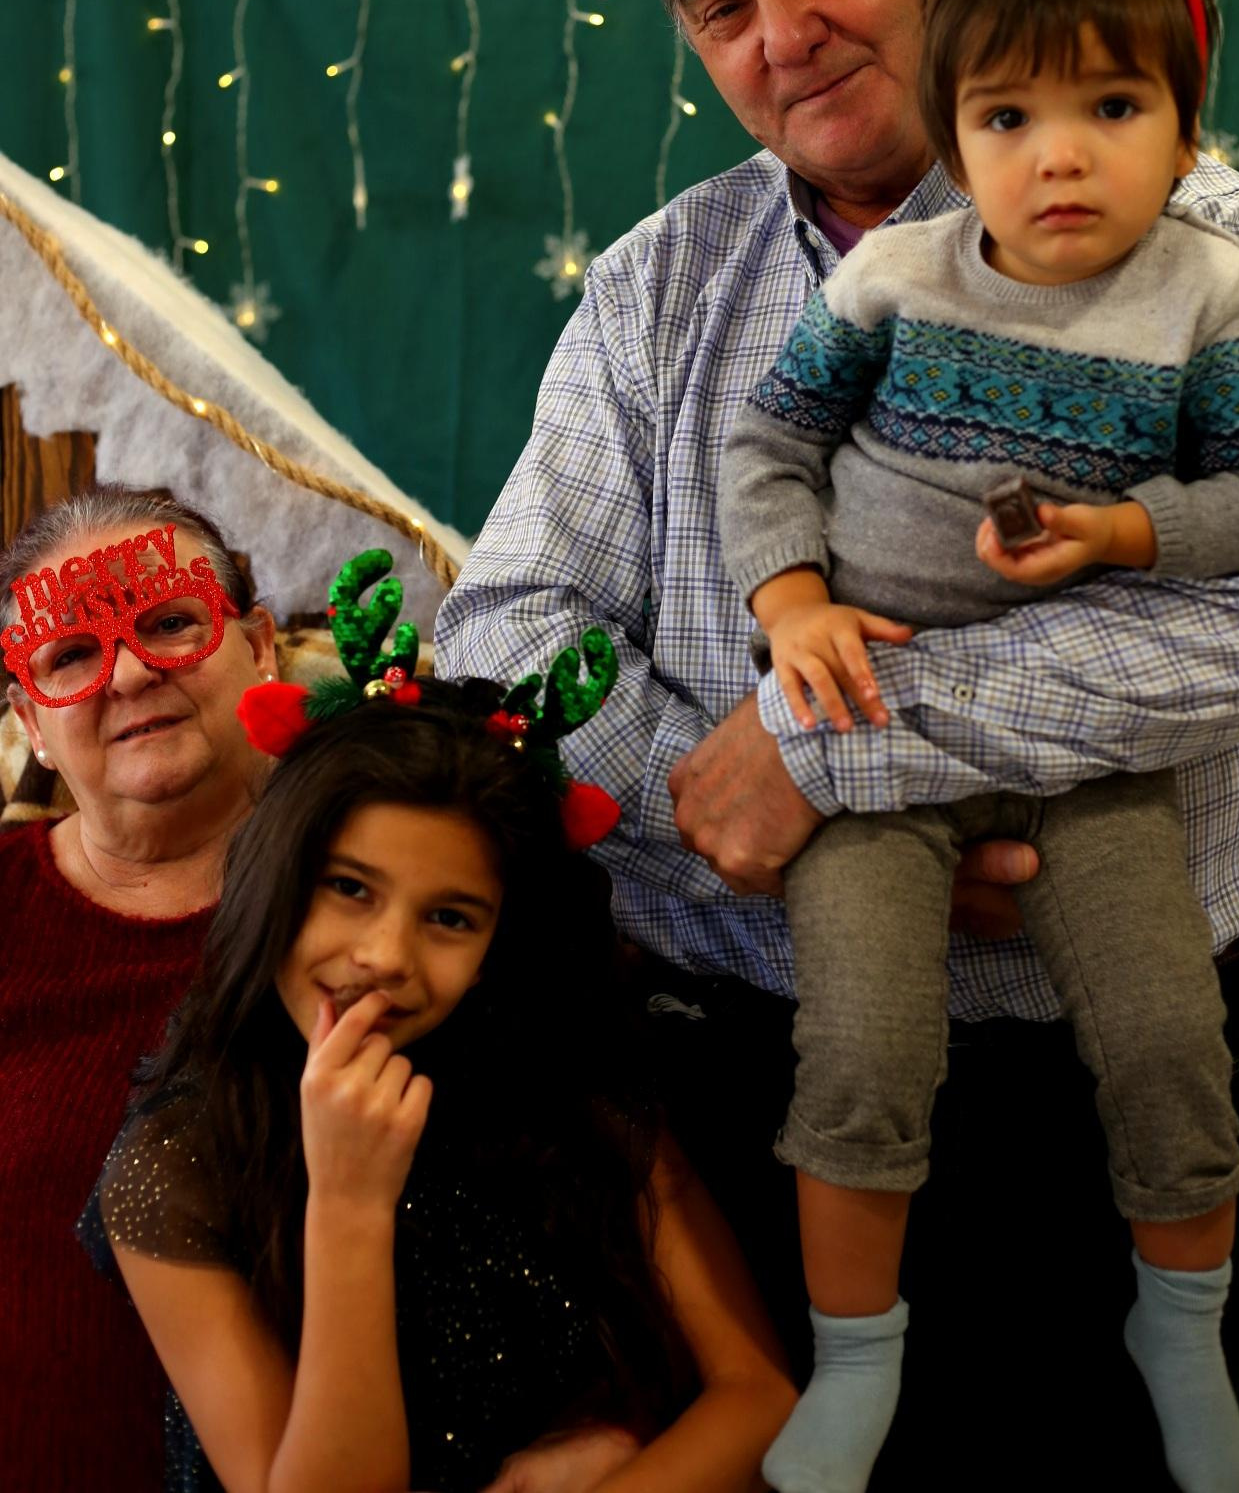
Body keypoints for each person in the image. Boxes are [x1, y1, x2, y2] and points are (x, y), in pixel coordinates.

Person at [437, 0, 1239, 1486]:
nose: (782, 33)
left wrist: (831, 758)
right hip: (741, 1077)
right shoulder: (663, 288)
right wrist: (703, 788)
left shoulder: (1211, 238)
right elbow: (502, 627)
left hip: (1096, 1084)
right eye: (718, 3)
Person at [718, 0, 1239, 1485]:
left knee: (1174, 1043)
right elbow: (770, 441)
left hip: (1087, 779)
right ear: (960, 129)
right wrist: (795, 603)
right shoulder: (895, 271)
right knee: (864, 1048)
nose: (1059, 158)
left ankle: (1182, 1338)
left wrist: (1124, 542)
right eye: (1012, 118)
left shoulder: (1221, 284)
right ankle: (854, 1364)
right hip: (865, 736)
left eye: (1114, 110)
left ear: (1184, 121)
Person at [86, 609, 796, 1493]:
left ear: (499, 942)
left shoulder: (576, 1084)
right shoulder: (177, 1161)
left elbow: (762, 1396)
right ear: (276, 875)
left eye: (450, 918)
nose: (385, 954)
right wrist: (349, 1200)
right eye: (349, 888)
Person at [0, 484, 278, 1492]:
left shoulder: (393, 899)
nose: (125, 671)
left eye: (168, 621)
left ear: (260, 645)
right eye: (70, 654)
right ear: (31, 719)